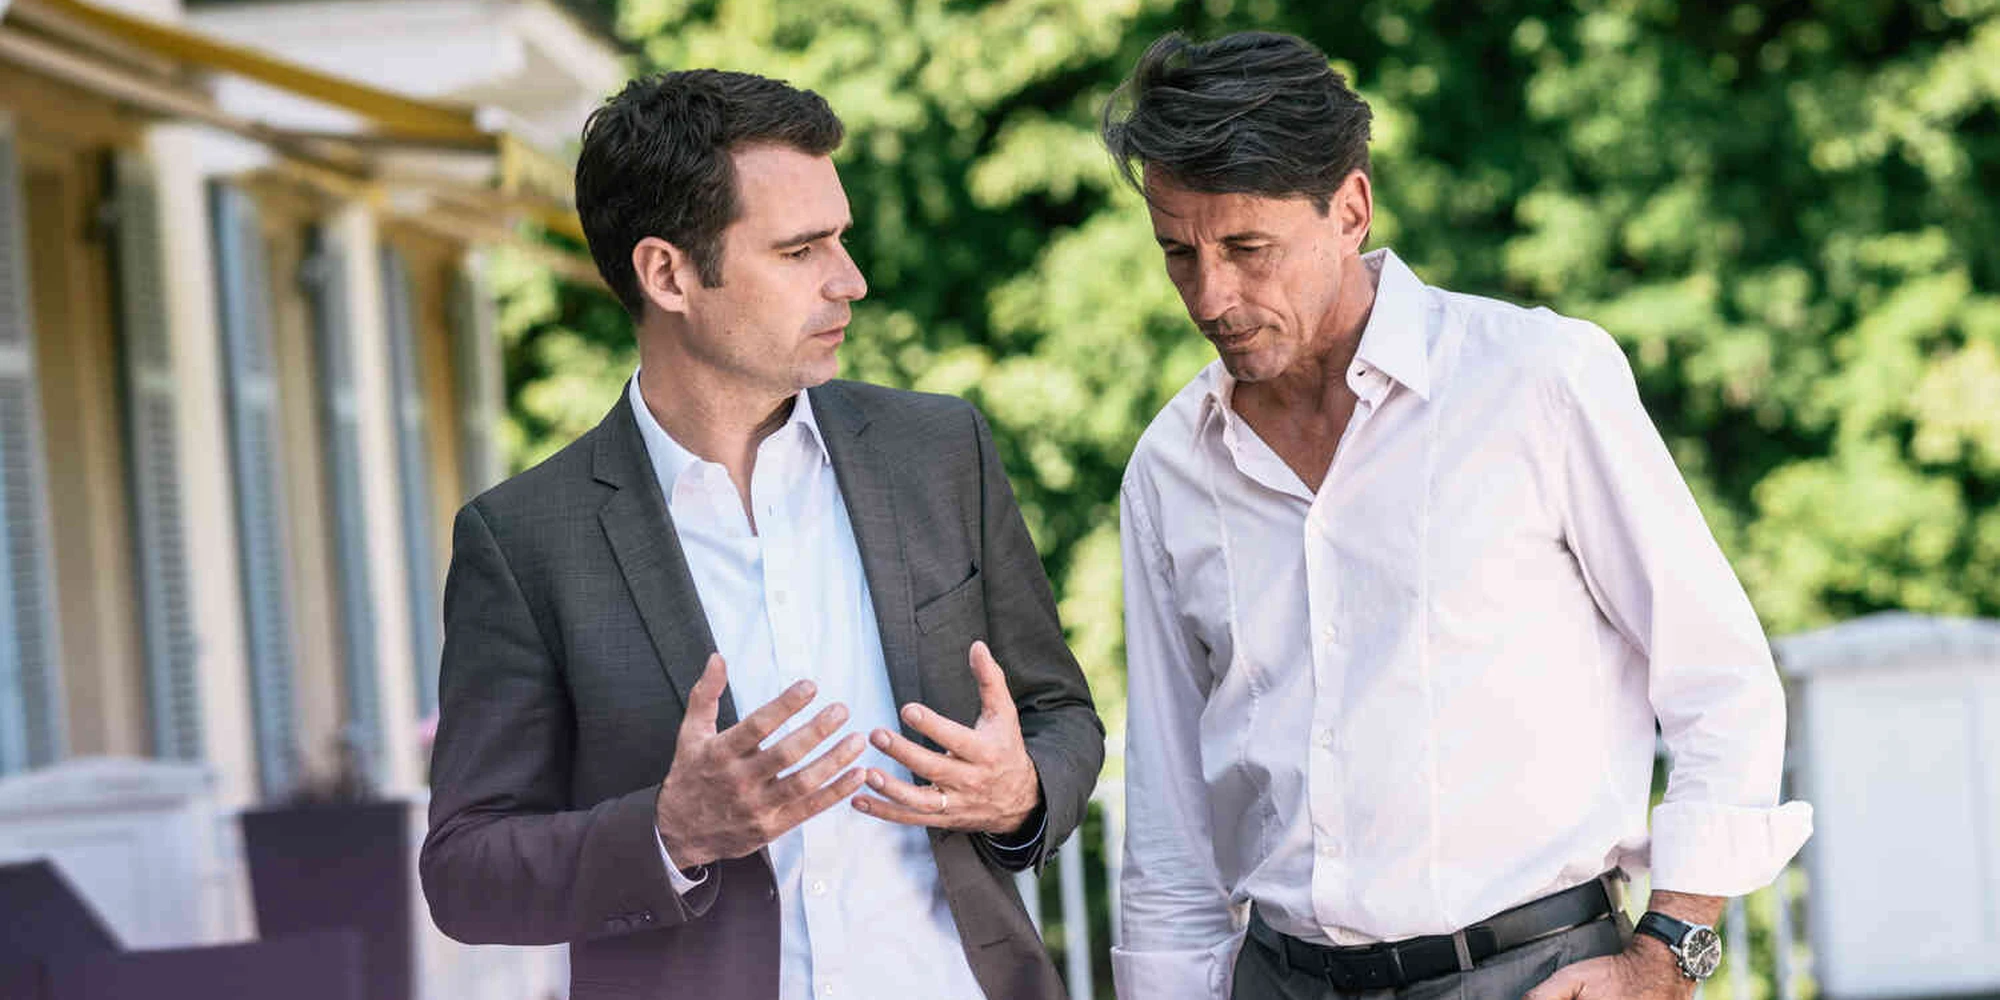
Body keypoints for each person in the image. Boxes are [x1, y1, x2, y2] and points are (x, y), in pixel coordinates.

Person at [1101, 31, 1812, 1000]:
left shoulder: (1536, 380)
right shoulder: (1170, 466)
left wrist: (1667, 953)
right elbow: (1169, 809)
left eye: (1246, 249)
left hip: (1534, 973)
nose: (1210, 295)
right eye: (1177, 253)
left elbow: (1720, 683)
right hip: (1277, 977)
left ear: (1349, 209)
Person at [420, 69, 1103, 1000]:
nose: (849, 281)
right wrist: (669, 832)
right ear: (668, 274)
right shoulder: (525, 540)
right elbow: (465, 873)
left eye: (840, 239)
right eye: (800, 250)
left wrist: (1019, 793)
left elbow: (1061, 715)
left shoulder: (940, 453)